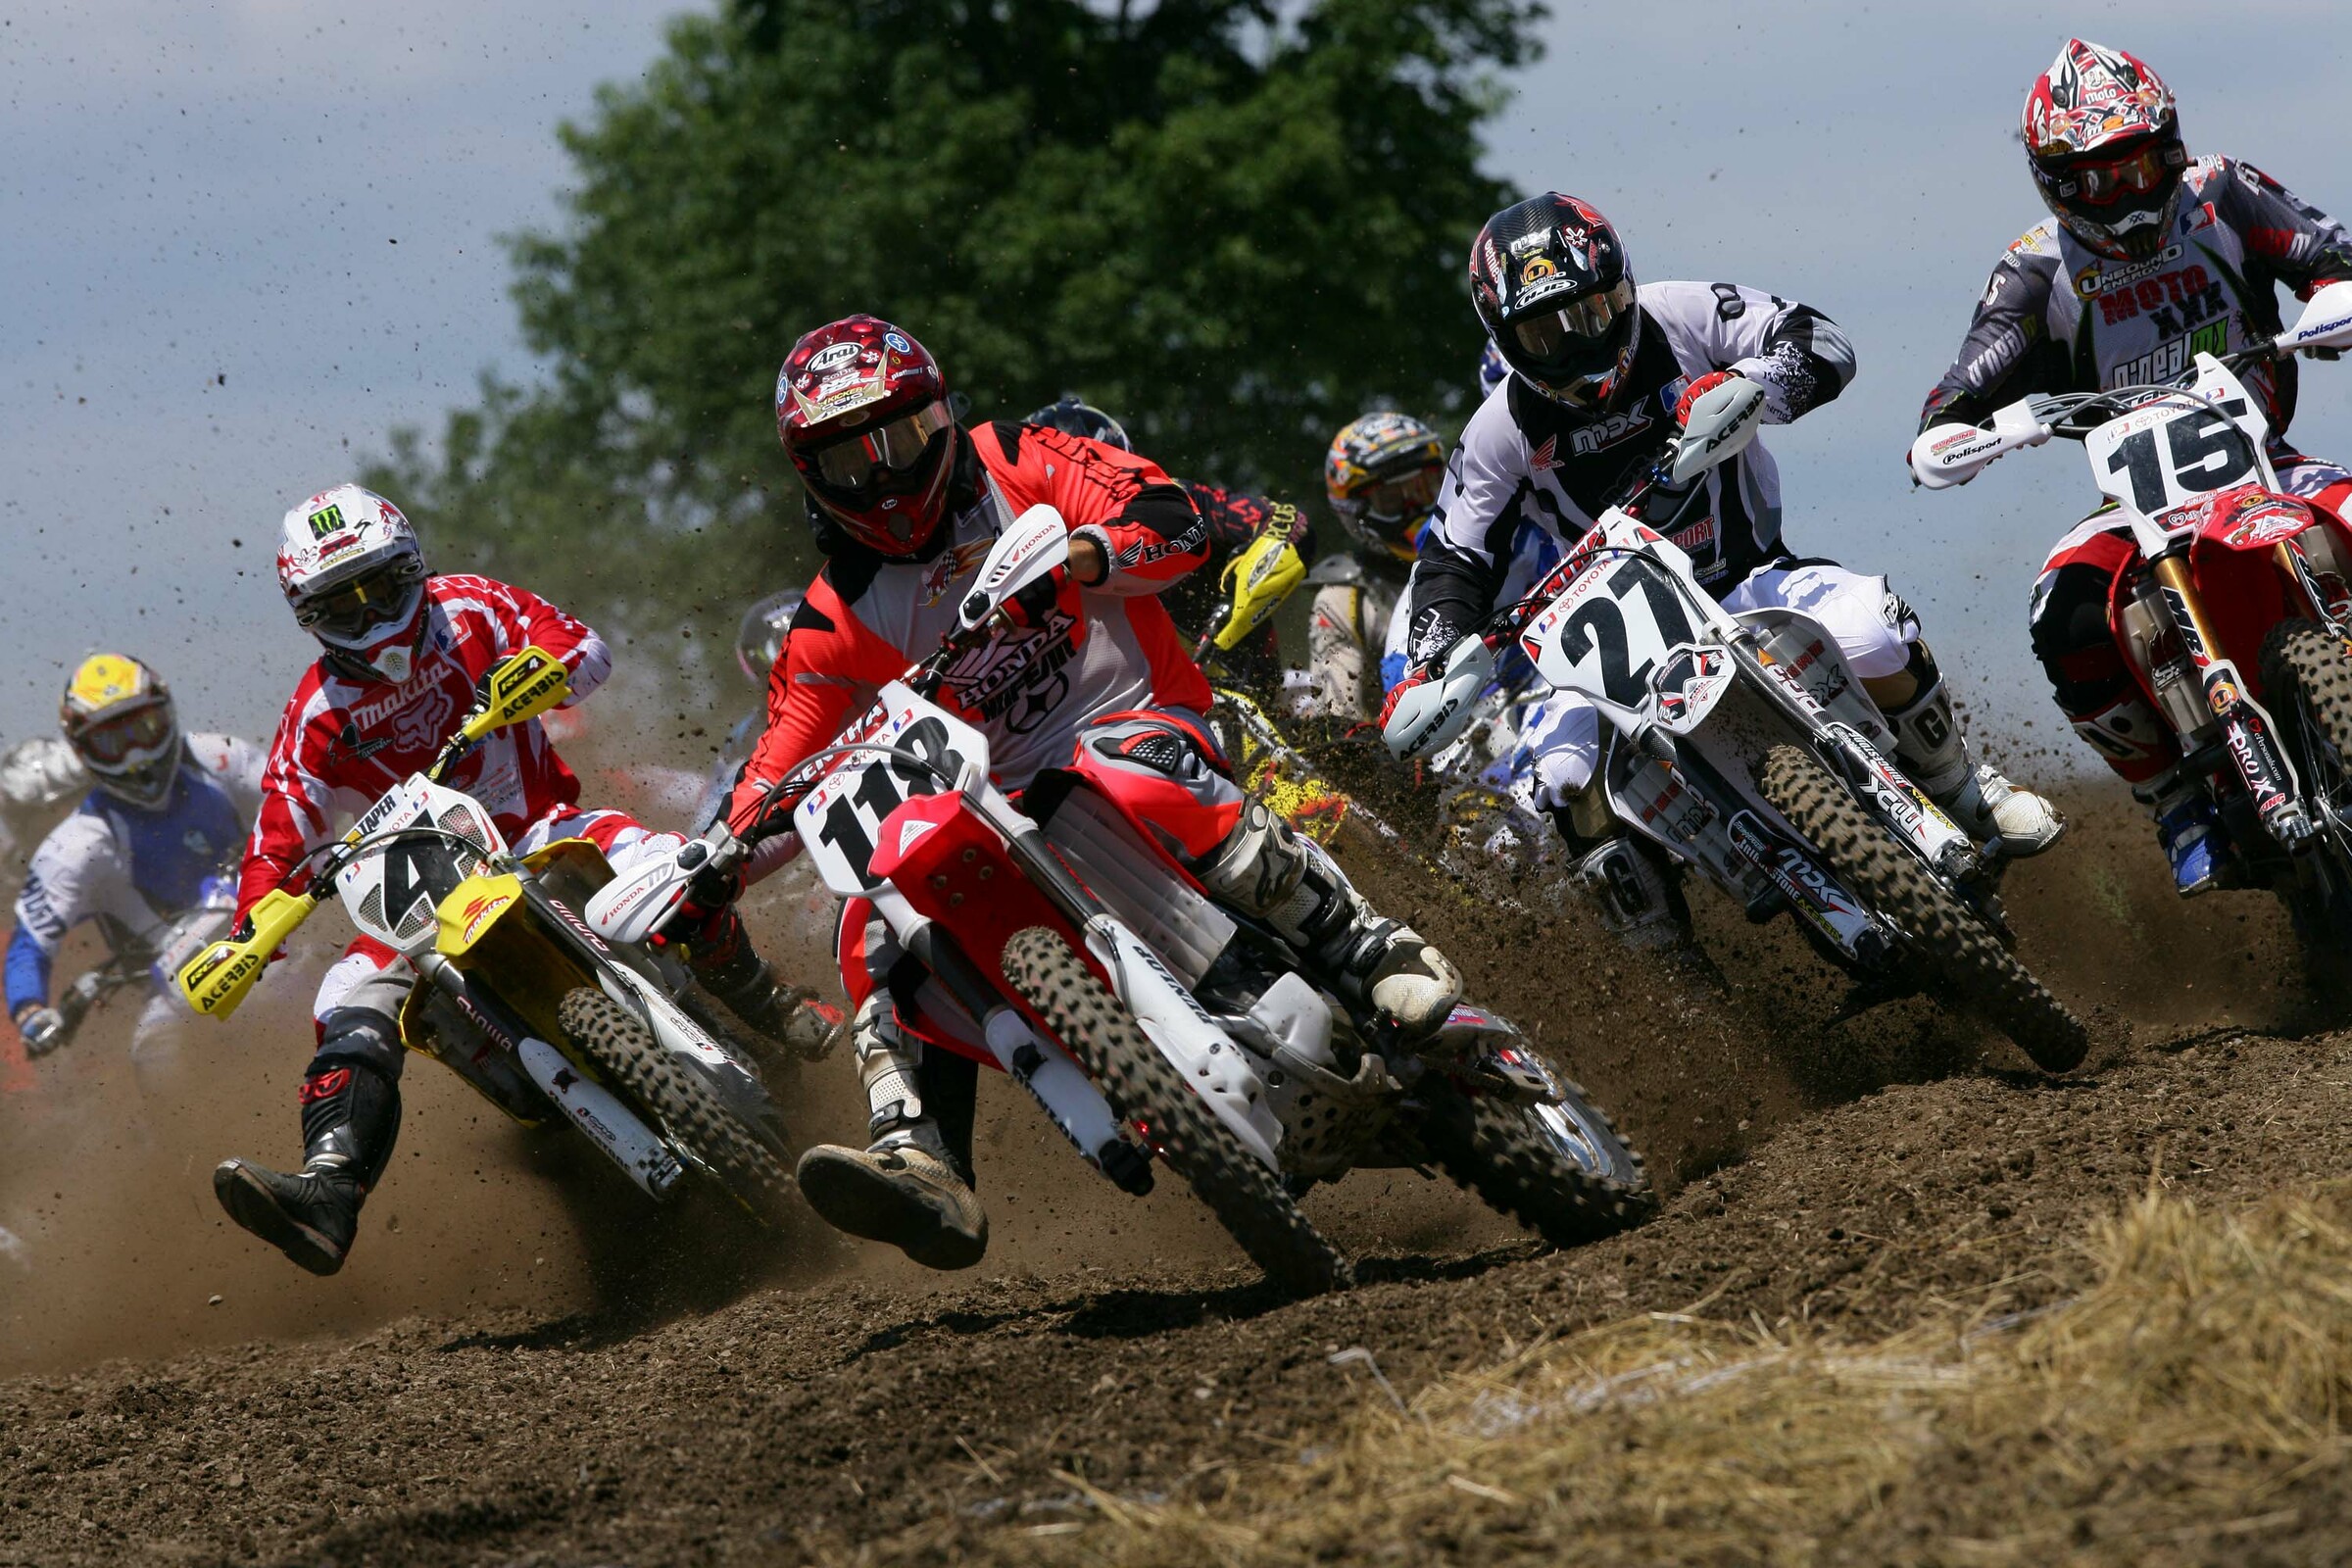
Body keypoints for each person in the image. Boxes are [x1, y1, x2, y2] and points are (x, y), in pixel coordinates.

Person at [716, 318, 1460, 1268]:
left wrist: (1085, 557)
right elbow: (776, 770)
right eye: (848, 462)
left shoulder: (1016, 456)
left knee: (1132, 761)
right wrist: (712, 860)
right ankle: (919, 1150)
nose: (885, 477)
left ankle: (1365, 942)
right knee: (870, 908)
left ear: (940, 416)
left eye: (900, 440)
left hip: (1134, 716)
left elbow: (1176, 518)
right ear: (810, 475)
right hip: (996, 807)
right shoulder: (829, 619)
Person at [1386, 192, 2063, 947]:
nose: (1573, 346)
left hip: (1746, 576)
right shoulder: (1498, 429)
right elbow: (1451, 557)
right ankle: (1675, 978)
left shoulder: (1681, 313)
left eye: (1588, 313)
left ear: (1620, 289)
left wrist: (1754, 382)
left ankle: (1963, 791)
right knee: (1564, 778)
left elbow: (1822, 340)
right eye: (1543, 333)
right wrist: (1433, 659)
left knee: (1874, 630)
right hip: (1608, 647)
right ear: (1506, 339)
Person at [210, 484, 810, 1276]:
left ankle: (770, 1002)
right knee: (344, 998)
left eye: (381, 586)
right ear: (308, 614)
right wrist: (249, 932)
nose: (370, 613)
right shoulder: (314, 712)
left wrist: (544, 672)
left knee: (674, 863)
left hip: (539, 832)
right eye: (343, 604)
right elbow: (279, 836)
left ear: (412, 567)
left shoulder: (473, 607)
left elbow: (585, 649)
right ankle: (330, 1189)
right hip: (418, 897)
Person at [1911, 38, 2352, 896]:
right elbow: (1955, 397)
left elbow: (2328, 256)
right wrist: (1961, 434)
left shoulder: (2222, 191)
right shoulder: (2035, 268)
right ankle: (2174, 800)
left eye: (2144, 165)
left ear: (2173, 146)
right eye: (2102, 180)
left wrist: (2330, 300)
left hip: (2269, 464)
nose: (2130, 192)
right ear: (2059, 185)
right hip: (2141, 507)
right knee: (2063, 607)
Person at [6, 657, 263, 1068]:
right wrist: (31, 1013)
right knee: (156, 1058)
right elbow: (30, 944)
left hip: (282, 944)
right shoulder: (73, 846)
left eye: (143, 729)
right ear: (82, 750)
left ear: (166, 713)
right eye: (112, 742)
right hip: (177, 998)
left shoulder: (219, 757)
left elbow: (303, 808)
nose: (136, 757)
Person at [1024, 395, 1315, 683]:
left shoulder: (1177, 501)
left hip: (1244, 688)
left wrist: (1240, 593)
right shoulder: (1032, 567)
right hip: (1120, 704)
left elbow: (1289, 522)